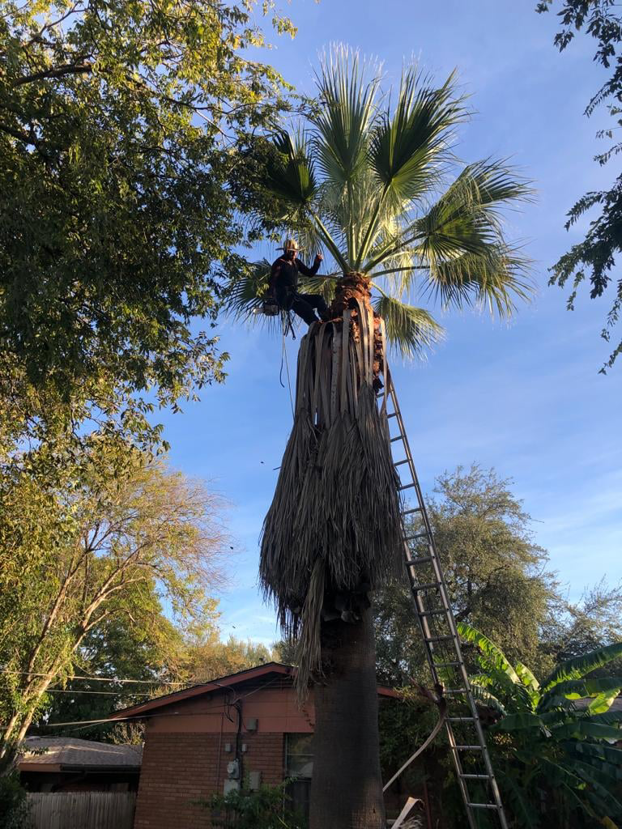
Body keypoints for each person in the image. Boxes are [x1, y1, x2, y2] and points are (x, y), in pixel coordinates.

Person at [268, 239, 330, 325]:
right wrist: (271, 297)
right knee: (307, 309)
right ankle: (316, 326)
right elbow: (272, 281)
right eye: (291, 252)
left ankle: (328, 320)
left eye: (295, 252)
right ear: (285, 251)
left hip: (295, 295)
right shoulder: (279, 263)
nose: (294, 254)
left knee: (318, 299)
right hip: (284, 297)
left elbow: (310, 273)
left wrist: (317, 263)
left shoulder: (296, 262)